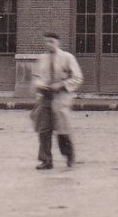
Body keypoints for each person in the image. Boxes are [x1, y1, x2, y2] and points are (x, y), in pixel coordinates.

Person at [31, 31, 83, 170]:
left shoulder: (67, 57)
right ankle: (46, 160)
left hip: (60, 98)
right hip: (45, 98)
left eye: (51, 42)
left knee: (62, 130)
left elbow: (77, 77)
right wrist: (39, 84)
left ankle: (69, 157)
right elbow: (36, 76)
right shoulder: (41, 58)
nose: (49, 44)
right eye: (46, 42)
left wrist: (61, 85)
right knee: (44, 130)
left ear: (58, 42)